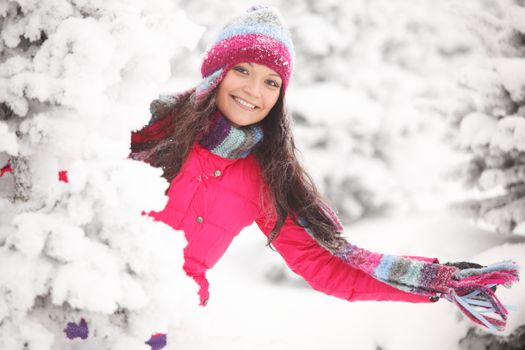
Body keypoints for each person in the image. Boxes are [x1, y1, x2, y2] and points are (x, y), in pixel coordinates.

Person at [131, 5, 518, 333]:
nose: (254, 91)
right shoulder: (145, 120)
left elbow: (328, 264)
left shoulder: (267, 176)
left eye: (271, 81)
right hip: (89, 286)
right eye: (242, 70)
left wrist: (437, 280)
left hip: (163, 326)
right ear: (218, 71)